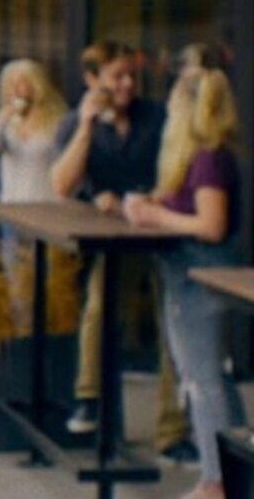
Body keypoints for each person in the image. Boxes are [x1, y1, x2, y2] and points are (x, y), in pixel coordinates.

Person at [50, 41, 193, 460]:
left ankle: (172, 433)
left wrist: (149, 201)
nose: (128, 84)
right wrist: (87, 126)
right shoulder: (75, 123)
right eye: (117, 77)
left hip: (161, 231)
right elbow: (62, 185)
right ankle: (90, 399)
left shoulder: (157, 117)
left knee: (173, 323)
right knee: (99, 304)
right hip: (112, 238)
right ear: (93, 80)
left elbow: (179, 169)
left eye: (132, 75)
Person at [123, 65, 246, 499]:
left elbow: (210, 225)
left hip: (200, 280)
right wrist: (154, 202)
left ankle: (216, 480)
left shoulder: (210, 158)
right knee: (208, 378)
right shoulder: (199, 157)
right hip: (186, 279)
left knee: (204, 380)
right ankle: (231, 475)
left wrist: (157, 215)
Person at [0, 59, 66, 319]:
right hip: (13, 209)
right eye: (13, 83)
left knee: (50, 276)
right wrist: (5, 116)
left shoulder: (57, 118)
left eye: (24, 81)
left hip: (48, 208)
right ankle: (23, 329)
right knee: (15, 276)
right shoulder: (6, 121)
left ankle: (53, 329)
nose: (19, 88)